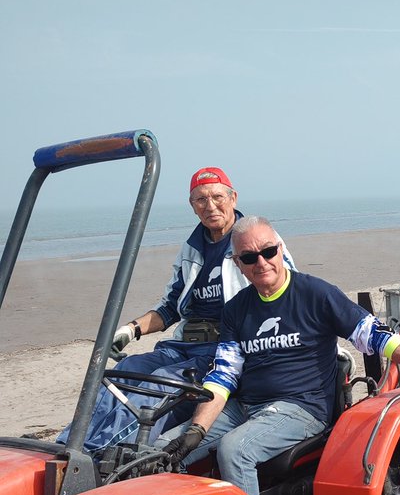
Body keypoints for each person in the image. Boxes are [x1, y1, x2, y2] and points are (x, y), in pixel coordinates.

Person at [164, 216, 400, 495]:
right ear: (238, 263)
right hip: (246, 404)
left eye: (268, 252)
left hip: (302, 408)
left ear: (280, 249)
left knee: (235, 450)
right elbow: (222, 376)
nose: (261, 263)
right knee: (164, 449)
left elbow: (373, 335)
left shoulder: (316, 294)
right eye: (249, 257)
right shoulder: (236, 309)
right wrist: (195, 430)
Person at [61, 167, 292, 453]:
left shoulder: (254, 240)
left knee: (162, 387)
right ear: (192, 206)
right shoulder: (192, 249)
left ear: (233, 198)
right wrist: (130, 330)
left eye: (218, 197)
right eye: (201, 200)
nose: (210, 206)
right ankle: (68, 444)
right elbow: (170, 306)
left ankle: (97, 455)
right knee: (122, 372)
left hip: (223, 348)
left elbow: (285, 290)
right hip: (184, 344)